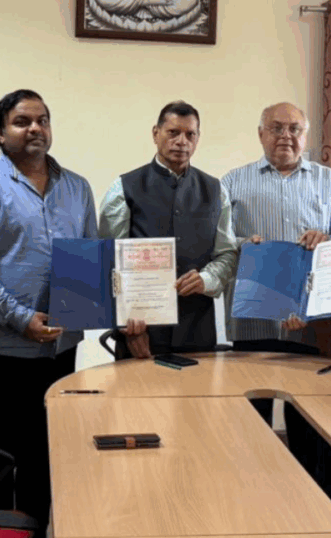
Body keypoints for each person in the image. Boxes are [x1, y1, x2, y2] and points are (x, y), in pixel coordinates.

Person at [0, 89, 97, 527]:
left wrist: (89, 312)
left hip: (62, 346)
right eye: (21, 121)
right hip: (7, 348)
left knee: (49, 447)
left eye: (42, 119)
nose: (35, 128)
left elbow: (88, 256)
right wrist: (20, 318)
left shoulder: (77, 187)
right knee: (5, 450)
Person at [221, 102, 331, 429]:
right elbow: (219, 240)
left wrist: (326, 239)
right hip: (253, 320)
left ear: (305, 135)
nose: (285, 136)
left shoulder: (328, 181)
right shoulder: (232, 182)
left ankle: (310, 479)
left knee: (310, 419)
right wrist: (244, 244)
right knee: (251, 419)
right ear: (261, 134)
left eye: (294, 129)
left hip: (310, 319)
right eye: (276, 128)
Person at [98, 101, 237, 359]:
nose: (181, 141)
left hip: (198, 334)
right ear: (155, 133)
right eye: (173, 132)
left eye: (190, 134)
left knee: (196, 400)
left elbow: (227, 255)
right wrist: (126, 328)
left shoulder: (217, 191)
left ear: (197, 139)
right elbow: (107, 263)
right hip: (140, 336)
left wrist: (206, 279)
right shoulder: (123, 188)